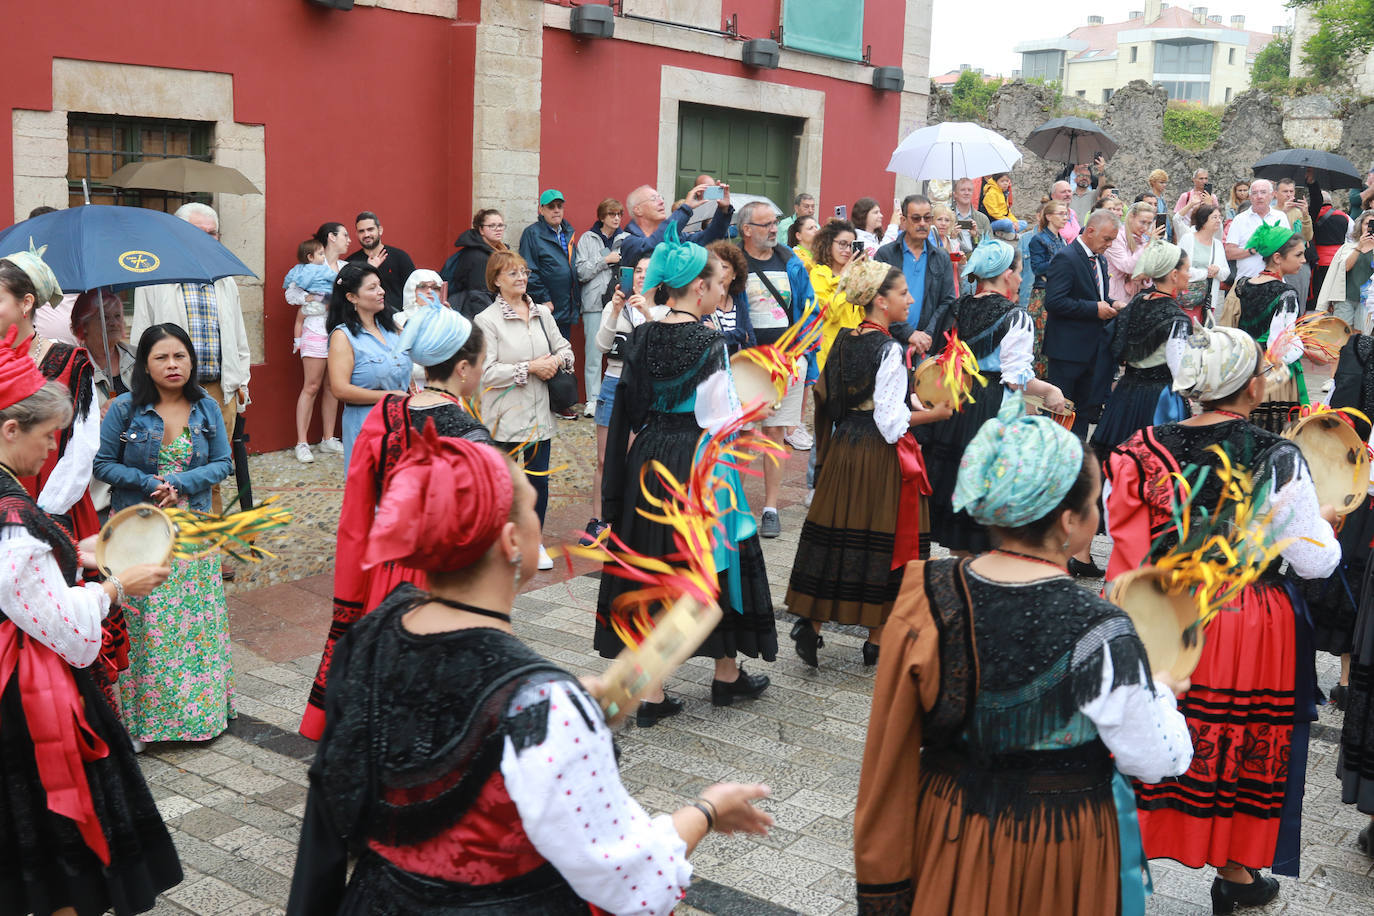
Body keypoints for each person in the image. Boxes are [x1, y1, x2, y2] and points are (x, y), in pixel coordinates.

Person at [285, 430, 773, 915]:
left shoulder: (371, 636)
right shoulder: (543, 706)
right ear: (512, 540)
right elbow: (633, 879)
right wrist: (706, 811)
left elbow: (356, 786)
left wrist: (578, 706)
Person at [855, 396, 1192, 916]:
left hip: (952, 829)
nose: (1098, 516)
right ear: (1066, 522)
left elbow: (887, 751)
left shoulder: (928, 592)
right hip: (1062, 848)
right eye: (1093, 504)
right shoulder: (1102, 627)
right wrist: (1162, 694)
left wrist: (882, 883)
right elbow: (1155, 759)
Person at [1106, 325, 1340, 910]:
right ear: (1250, 386)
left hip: (1164, 612)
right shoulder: (1278, 456)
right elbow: (1312, 563)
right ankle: (1236, 874)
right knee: (1240, 739)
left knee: (1143, 729)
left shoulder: (1141, 447)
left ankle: (1110, 858)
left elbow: (1120, 539)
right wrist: (1328, 525)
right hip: (1247, 620)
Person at [0, 333, 180, 916]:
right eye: (47, 436)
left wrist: (75, 553)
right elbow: (67, 633)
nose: (52, 449)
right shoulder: (12, 521)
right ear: (9, 431)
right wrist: (113, 588)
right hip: (27, 700)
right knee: (63, 851)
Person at [597, 227, 777, 724]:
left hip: (649, 458)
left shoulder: (642, 335)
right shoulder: (710, 343)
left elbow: (626, 412)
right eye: (717, 284)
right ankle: (725, 674)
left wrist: (615, 488)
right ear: (698, 288)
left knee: (657, 561)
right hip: (699, 463)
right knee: (715, 563)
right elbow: (720, 421)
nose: (723, 290)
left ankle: (652, 691)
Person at [299, 301, 490, 741]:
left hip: (386, 574)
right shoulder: (468, 433)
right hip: (442, 580)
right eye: (481, 364)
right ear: (463, 368)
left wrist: (353, 588)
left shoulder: (385, 415)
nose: (482, 372)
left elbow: (356, 514)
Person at [785, 260, 951, 668]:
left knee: (837, 538)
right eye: (902, 293)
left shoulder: (845, 339)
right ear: (880, 301)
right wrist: (937, 413)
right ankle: (876, 640)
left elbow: (832, 396)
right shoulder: (890, 348)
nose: (910, 299)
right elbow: (891, 423)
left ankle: (813, 623)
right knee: (885, 542)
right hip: (879, 456)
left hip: (845, 449)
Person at [94, 323, 234, 747]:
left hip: (192, 535)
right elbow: (102, 465)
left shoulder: (206, 407)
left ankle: (201, 718)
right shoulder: (124, 410)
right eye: (161, 357)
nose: (172, 365)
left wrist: (180, 482)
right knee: (146, 628)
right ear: (146, 365)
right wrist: (148, 480)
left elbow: (224, 462)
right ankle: (145, 725)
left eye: (180, 357)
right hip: (139, 535)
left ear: (191, 361)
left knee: (195, 628)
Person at [924, 239, 1066, 556]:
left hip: (957, 401)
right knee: (989, 499)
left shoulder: (958, 307)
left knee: (958, 491)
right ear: (1006, 274)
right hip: (991, 407)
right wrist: (1050, 392)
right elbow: (1016, 380)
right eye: (1018, 271)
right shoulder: (1016, 317)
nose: (1020, 278)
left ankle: (960, 569)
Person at [130, 202, 250, 515]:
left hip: (216, 392)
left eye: (213, 234)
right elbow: (141, 336)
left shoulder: (225, 281)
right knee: (169, 470)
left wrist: (241, 381)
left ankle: (210, 547)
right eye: (199, 233)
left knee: (213, 471)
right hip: (169, 393)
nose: (207, 239)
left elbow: (238, 337)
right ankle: (168, 545)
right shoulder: (154, 278)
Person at [474, 250, 575, 571]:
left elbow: (565, 348)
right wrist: (530, 367)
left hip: (538, 414)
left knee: (537, 483)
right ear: (496, 281)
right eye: (512, 273)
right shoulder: (486, 320)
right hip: (504, 416)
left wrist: (553, 363)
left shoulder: (543, 314)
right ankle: (500, 542)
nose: (521, 278)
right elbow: (485, 372)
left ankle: (534, 541)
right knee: (503, 486)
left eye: (523, 272)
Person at [0, 249, 101, 547]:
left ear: (26, 303)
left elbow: (82, 447)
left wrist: (43, 512)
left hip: (53, 505)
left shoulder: (71, 362)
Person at [736, 200, 817, 536]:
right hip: (748, 365)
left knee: (774, 436)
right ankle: (734, 506)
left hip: (787, 363)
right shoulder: (733, 262)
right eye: (766, 224)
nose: (774, 229)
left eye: (775, 223)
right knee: (744, 435)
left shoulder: (790, 260)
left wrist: (802, 355)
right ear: (747, 230)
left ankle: (770, 508)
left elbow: (809, 308)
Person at [580, 257, 668, 548]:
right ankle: (599, 520)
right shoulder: (613, 305)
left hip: (645, 389)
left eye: (648, 271)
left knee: (637, 458)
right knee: (605, 459)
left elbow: (664, 346)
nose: (642, 276)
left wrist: (646, 311)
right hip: (613, 383)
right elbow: (602, 346)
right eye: (637, 271)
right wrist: (617, 310)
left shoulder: (664, 310)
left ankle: (631, 522)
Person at [1090, 240, 1192, 460]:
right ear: (1174, 275)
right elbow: (1180, 371)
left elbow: (1117, 344)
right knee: (1156, 461)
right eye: (1187, 270)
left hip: (1126, 394)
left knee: (1119, 457)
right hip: (1160, 400)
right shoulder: (1177, 317)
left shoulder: (1137, 302)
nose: (1189, 275)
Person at [1044, 209, 1126, 440]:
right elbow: (1054, 301)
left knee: (1083, 412)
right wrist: (1095, 309)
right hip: (1067, 352)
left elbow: (1096, 295)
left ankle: (1078, 458)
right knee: (1061, 413)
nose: (1110, 244)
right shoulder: (1066, 257)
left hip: (1092, 350)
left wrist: (1113, 303)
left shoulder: (1099, 258)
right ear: (1090, 231)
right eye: (1106, 239)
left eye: (1112, 239)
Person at [326, 263, 412, 467]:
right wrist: (388, 397)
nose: (381, 291)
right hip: (366, 424)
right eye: (372, 287)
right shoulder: (343, 337)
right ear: (352, 297)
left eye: (380, 285)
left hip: (400, 422)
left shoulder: (393, 328)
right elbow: (339, 389)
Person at [1229, 223, 1308, 432]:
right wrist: (1304, 349)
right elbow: (1280, 345)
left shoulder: (1245, 285)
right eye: (1298, 254)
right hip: (1274, 376)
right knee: (1277, 432)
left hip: (1248, 369)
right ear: (1278, 257)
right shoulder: (1286, 294)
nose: (1304, 260)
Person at [874, 195, 958, 356]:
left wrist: (927, 334)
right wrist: (908, 333)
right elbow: (878, 299)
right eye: (916, 218)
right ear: (904, 221)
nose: (922, 224)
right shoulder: (886, 255)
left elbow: (947, 301)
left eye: (927, 218)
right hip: (888, 342)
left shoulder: (941, 258)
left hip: (926, 345)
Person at [284, 237, 341, 464]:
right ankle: (302, 442)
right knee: (312, 386)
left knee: (331, 386)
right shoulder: (303, 273)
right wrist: (309, 297)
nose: (323, 257)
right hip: (315, 333)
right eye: (319, 253)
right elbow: (291, 296)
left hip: (336, 333)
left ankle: (328, 438)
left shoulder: (336, 271)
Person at [574, 198, 625, 418]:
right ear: (602, 216)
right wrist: (606, 260)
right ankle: (593, 400)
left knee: (620, 353)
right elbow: (581, 272)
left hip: (619, 302)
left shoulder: (626, 239)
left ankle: (617, 399)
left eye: (619, 214)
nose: (616, 218)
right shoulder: (588, 238)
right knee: (594, 355)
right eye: (611, 214)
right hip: (594, 303)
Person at [517, 190, 580, 362]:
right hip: (546, 307)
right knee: (545, 357)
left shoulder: (568, 233)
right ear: (541, 209)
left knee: (563, 357)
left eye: (559, 206)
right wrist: (544, 298)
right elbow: (528, 269)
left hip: (566, 307)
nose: (556, 211)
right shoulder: (532, 233)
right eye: (551, 207)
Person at [618, 181, 733, 271]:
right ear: (638, 210)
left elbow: (708, 239)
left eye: (661, 198)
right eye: (654, 199)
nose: (662, 202)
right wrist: (685, 208)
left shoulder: (677, 237)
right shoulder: (629, 241)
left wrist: (723, 211)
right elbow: (654, 245)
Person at [808, 218, 862, 370]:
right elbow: (830, 314)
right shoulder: (818, 274)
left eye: (852, 245)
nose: (847, 250)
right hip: (828, 357)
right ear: (829, 244)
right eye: (842, 244)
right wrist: (843, 280)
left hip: (854, 353)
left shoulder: (856, 275)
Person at [1028, 200, 1070, 378]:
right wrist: (1061, 260)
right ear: (1049, 216)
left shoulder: (1062, 239)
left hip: (1058, 290)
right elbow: (1037, 268)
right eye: (1061, 213)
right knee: (1040, 337)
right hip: (1043, 293)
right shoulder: (1039, 239)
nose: (1065, 217)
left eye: (1066, 213)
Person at [1315, 208, 1374, 332]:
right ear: (1360, 226)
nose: (1369, 227)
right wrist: (1359, 247)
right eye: (1366, 223)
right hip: (1345, 296)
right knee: (1342, 332)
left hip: (1367, 300)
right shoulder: (1348, 247)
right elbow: (1345, 267)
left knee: (1361, 335)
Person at [441, 208, 507, 319]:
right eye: (492, 226)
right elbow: (479, 296)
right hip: (475, 315)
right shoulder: (477, 256)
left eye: (500, 225)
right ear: (481, 229)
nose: (498, 229)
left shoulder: (500, 251)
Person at [345, 211, 417, 312]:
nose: (366, 234)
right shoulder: (351, 262)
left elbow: (414, 289)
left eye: (370, 229)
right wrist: (368, 269)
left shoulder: (400, 257)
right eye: (361, 231)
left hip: (398, 318)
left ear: (380, 230)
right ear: (356, 234)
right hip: (365, 319)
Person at [1176, 203, 1230, 326]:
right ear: (1203, 220)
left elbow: (1225, 273)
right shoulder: (1188, 239)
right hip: (1188, 297)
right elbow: (1180, 268)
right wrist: (1206, 273)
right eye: (1214, 217)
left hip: (1208, 300)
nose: (1218, 220)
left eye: (1219, 217)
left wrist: (1217, 271)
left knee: (1205, 338)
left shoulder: (1217, 244)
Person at [1225, 179, 1290, 281]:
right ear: (1250, 197)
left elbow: (1289, 247)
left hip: (1275, 281)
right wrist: (1253, 250)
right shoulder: (1239, 219)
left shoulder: (1280, 217)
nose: (1259, 196)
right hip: (1246, 283)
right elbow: (1229, 253)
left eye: (1263, 192)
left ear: (1272, 195)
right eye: (1255, 193)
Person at [704, 239, 756, 354]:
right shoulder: (703, 305)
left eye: (724, 267)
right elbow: (706, 344)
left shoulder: (739, 304)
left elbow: (751, 343)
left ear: (734, 274)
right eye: (714, 266)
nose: (718, 271)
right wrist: (740, 335)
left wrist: (719, 334)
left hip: (738, 370)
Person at [1276, 178, 1315, 307]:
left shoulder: (1298, 212)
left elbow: (1308, 236)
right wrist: (1282, 214)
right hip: (1278, 261)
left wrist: (1305, 215)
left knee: (1299, 302)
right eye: (1285, 191)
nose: (1289, 195)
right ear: (1276, 194)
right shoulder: (1272, 211)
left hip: (1297, 261)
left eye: (1291, 191)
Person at [951, 178, 991, 245]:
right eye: (962, 190)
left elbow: (990, 245)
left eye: (969, 190)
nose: (966, 193)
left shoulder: (983, 219)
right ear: (955, 194)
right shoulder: (946, 218)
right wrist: (952, 238)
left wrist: (976, 236)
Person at [1050, 179, 1082, 243]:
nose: (1067, 194)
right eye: (1063, 192)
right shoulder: (1051, 215)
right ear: (1053, 196)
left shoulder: (1072, 212)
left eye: (1069, 191)